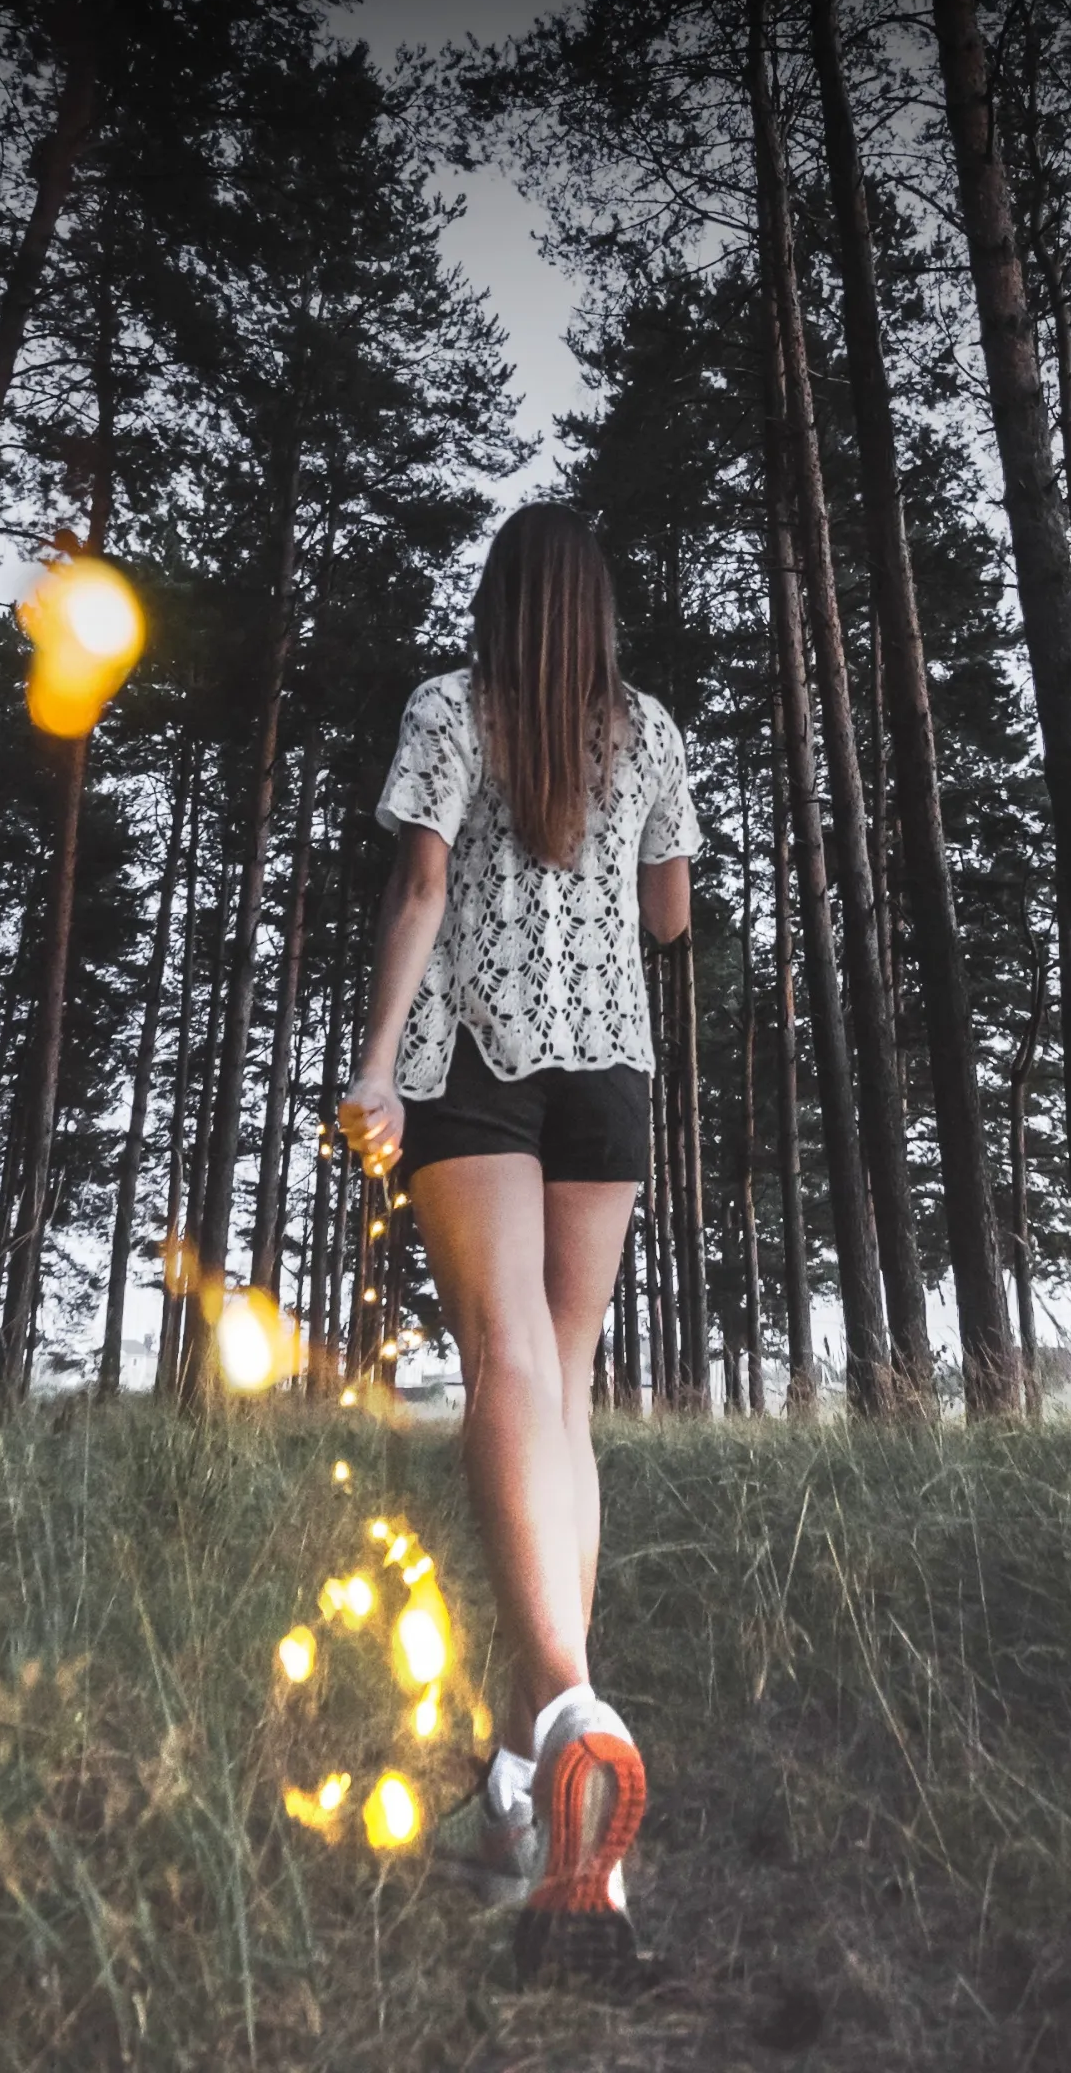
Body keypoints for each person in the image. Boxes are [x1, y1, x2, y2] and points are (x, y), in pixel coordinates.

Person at [339, 502, 698, 1971]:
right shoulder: (654, 731)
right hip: (612, 1074)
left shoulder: (449, 706)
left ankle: (567, 1712)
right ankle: (520, 1789)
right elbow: (671, 922)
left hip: (477, 1064)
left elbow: (423, 884)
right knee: (565, 1389)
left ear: (500, 599)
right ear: (602, 613)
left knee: (505, 1368)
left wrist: (375, 1065)